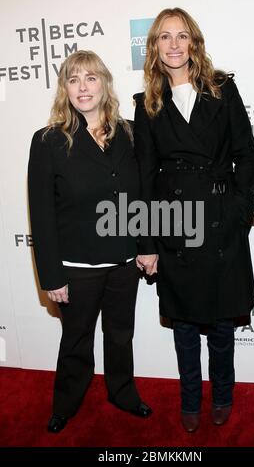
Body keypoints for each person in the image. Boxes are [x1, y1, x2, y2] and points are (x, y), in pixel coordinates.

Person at [134, 8, 254, 433]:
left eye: (181, 36)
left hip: (222, 221)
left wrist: (241, 210)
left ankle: (222, 395)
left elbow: (246, 152)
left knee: (222, 323)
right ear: (154, 47)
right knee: (184, 325)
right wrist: (147, 240)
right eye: (164, 37)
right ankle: (191, 400)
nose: (173, 45)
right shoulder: (147, 103)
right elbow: (145, 177)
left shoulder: (222, 89)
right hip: (175, 226)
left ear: (194, 43)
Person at [28, 50, 151, 434]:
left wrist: (146, 245)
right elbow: (42, 214)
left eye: (91, 78)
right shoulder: (48, 141)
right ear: (65, 89)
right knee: (76, 340)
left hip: (122, 261)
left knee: (121, 335)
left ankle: (122, 392)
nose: (83, 87)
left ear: (104, 83)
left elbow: (141, 198)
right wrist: (51, 275)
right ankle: (66, 402)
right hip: (76, 267)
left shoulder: (130, 133)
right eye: (73, 79)